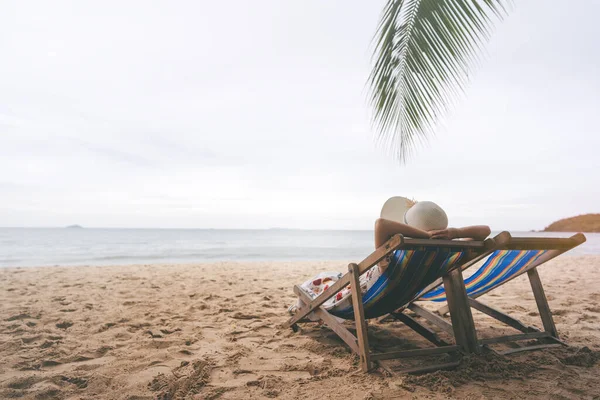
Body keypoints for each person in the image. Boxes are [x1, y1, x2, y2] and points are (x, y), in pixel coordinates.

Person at [289, 197, 491, 317]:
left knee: (324, 279)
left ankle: (302, 307)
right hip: (391, 298)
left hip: (353, 300)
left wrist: (420, 235)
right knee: (333, 276)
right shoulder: (446, 251)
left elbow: (381, 224)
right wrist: (454, 233)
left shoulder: (402, 253)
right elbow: (486, 230)